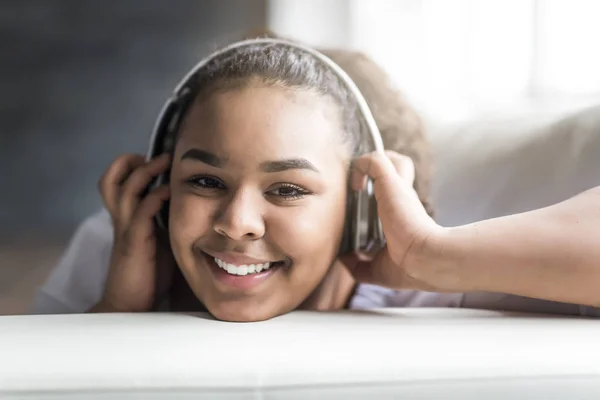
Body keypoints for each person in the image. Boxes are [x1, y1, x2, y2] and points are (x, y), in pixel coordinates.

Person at [33, 36, 600, 322]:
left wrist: (436, 254)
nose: (236, 224)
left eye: (287, 189)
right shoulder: (115, 249)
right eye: (205, 181)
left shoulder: (420, 285)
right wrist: (114, 315)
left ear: (360, 214)